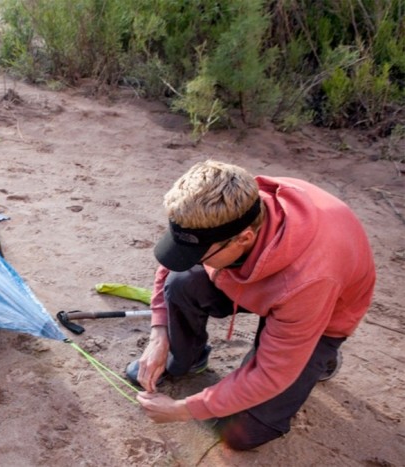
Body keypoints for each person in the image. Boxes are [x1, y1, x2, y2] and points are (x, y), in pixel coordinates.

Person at [126, 160, 375, 450]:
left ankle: (320, 356)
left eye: (199, 254)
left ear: (244, 238)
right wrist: (159, 335)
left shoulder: (311, 279)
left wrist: (184, 410)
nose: (192, 258)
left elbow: (271, 374)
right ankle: (186, 358)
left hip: (317, 311)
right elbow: (175, 263)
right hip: (259, 282)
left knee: (238, 432)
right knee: (182, 280)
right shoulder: (225, 206)